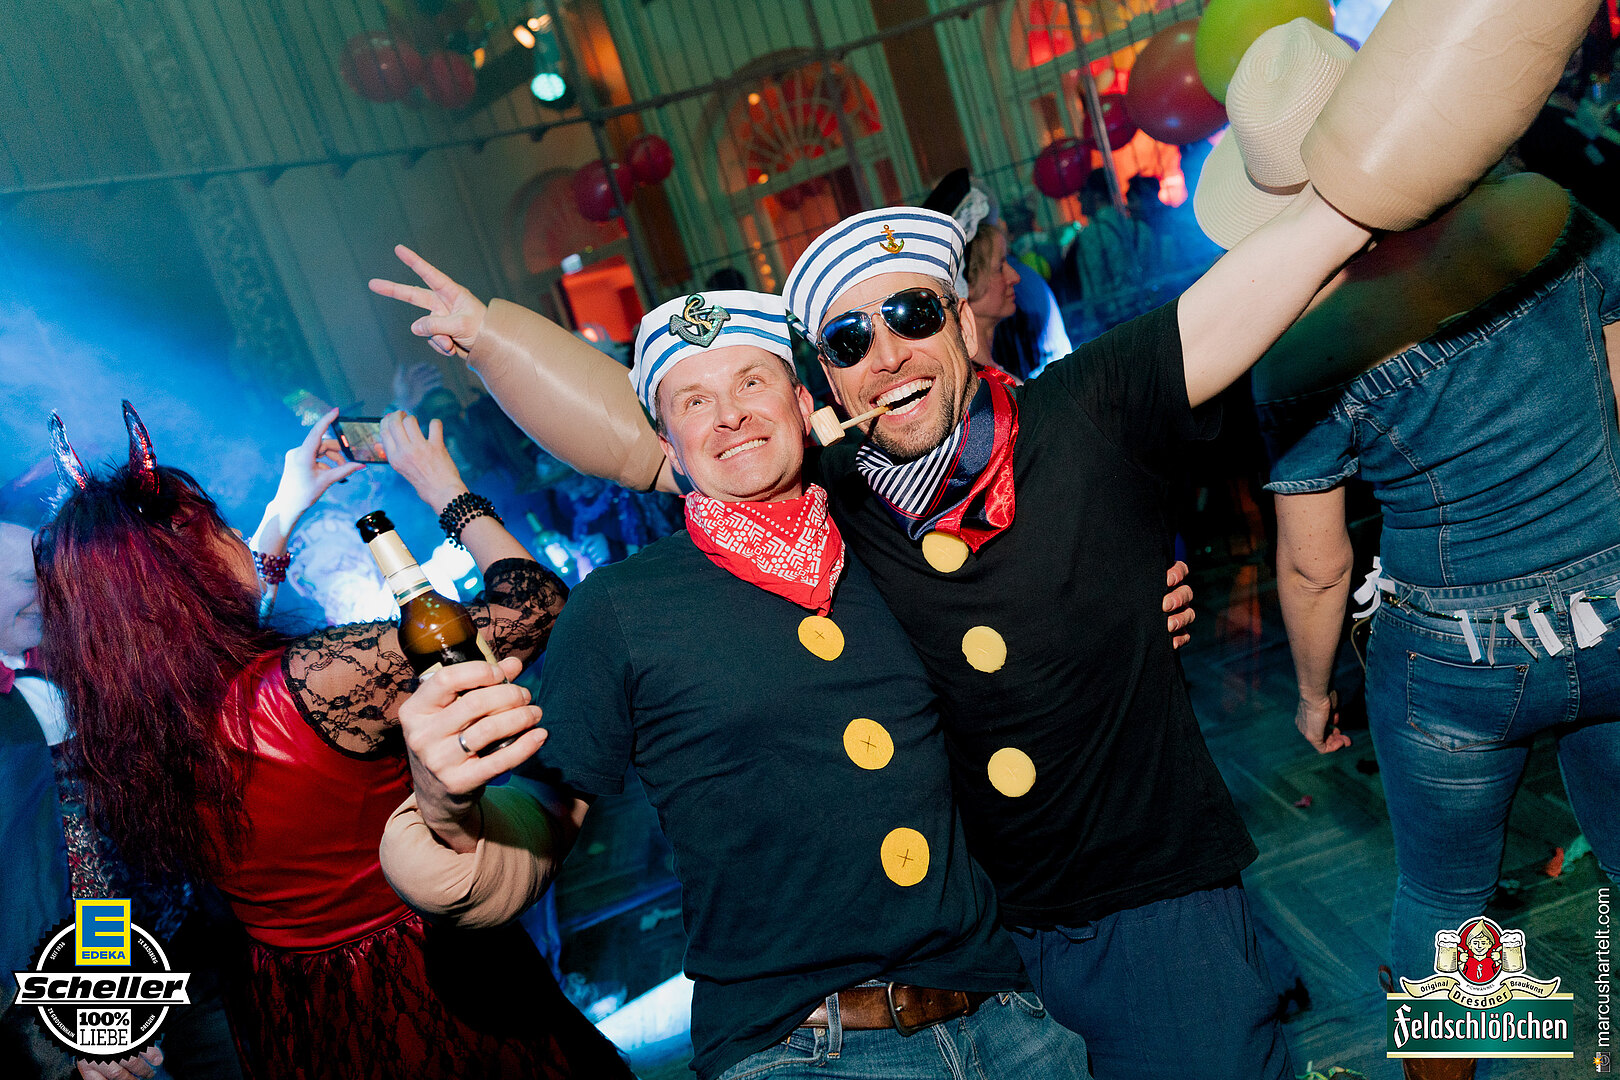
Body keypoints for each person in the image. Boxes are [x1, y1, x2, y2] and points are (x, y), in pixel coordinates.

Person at [369, 10, 1593, 1074]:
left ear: (966, 317)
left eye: (910, 313)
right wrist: (492, 337)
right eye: (846, 341)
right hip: (997, 955)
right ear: (828, 385)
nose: (887, 353)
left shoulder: (1089, 409)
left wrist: (1369, 179)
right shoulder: (828, 495)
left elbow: (1259, 284)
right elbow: (673, 445)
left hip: (1155, 913)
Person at [377, 289, 1092, 1080]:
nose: (730, 416)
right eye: (694, 401)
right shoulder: (621, 609)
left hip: (1008, 1015)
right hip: (799, 1050)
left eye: (752, 383)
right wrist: (445, 809)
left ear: (803, 404)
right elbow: (545, 810)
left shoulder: (894, 542)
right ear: (669, 447)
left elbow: (1016, 647)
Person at [1207, 21, 1620, 1065]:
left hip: (1460, 664)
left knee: (1444, 899)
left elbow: (1317, 566)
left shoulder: (1298, 351)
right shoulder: (1556, 220)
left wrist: (1314, 694)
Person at [33, 403, 630, 1080]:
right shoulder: (316, 681)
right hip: (426, 976)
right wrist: (447, 490)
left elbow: (97, 887)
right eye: (220, 525)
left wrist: (102, 1027)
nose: (239, 538)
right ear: (192, 567)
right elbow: (535, 606)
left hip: (292, 1003)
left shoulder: (117, 736)